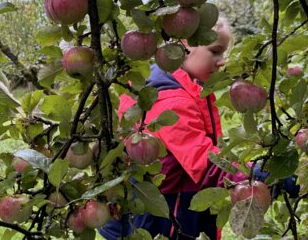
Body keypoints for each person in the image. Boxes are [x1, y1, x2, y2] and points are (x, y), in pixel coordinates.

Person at [99, 18, 245, 240]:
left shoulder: (179, 85)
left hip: (169, 203)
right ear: (183, 48)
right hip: (170, 214)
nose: (221, 61)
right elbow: (204, 163)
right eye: (215, 51)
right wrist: (254, 175)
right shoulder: (169, 98)